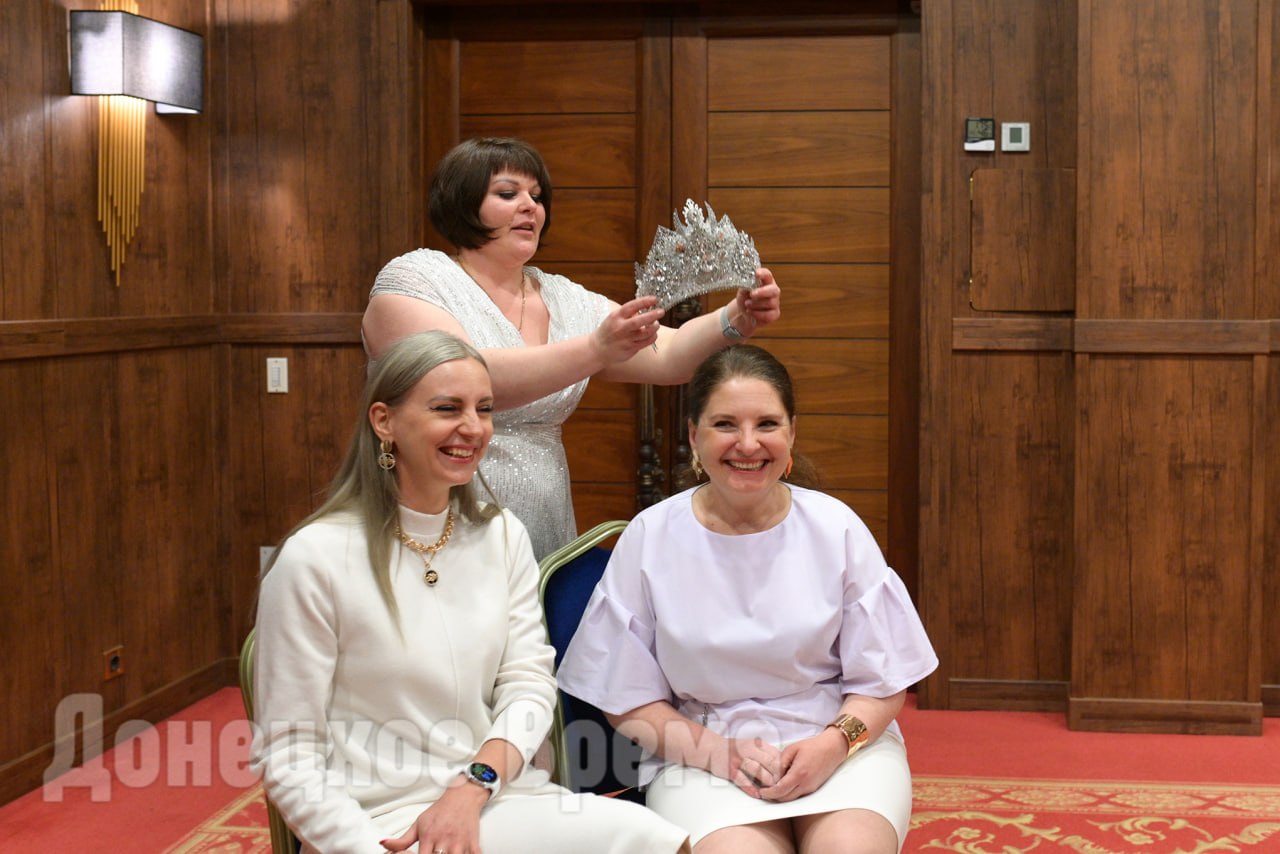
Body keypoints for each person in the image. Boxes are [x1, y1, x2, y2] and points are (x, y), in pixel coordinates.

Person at [251, 330, 690, 854]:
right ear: (383, 421)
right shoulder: (314, 558)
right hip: (376, 822)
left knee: (653, 839)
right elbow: (289, 756)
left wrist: (474, 783)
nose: (473, 428)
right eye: (447, 408)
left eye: (483, 409)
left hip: (495, 795)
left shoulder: (501, 535)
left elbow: (528, 685)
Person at [555, 345, 938, 854]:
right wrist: (720, 753)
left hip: (840, 742)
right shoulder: (651, 536)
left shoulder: (837, 527)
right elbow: (627, 701)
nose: (748, 443)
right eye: (725, 425)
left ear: (792, 433)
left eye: (767, 424)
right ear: (694, 435)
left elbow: (883, 682)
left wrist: (832, 744)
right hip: (701, 753)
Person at [362, 137, 782, 559]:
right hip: (436, 510)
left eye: (537, 197)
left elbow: (667, 355)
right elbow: (463, 380)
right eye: (508, 194)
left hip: (544, 519)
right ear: (463, 203)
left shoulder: (563, 297)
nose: (530, 207)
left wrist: (735, 318)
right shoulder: (416, 278)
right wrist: (597, 348)